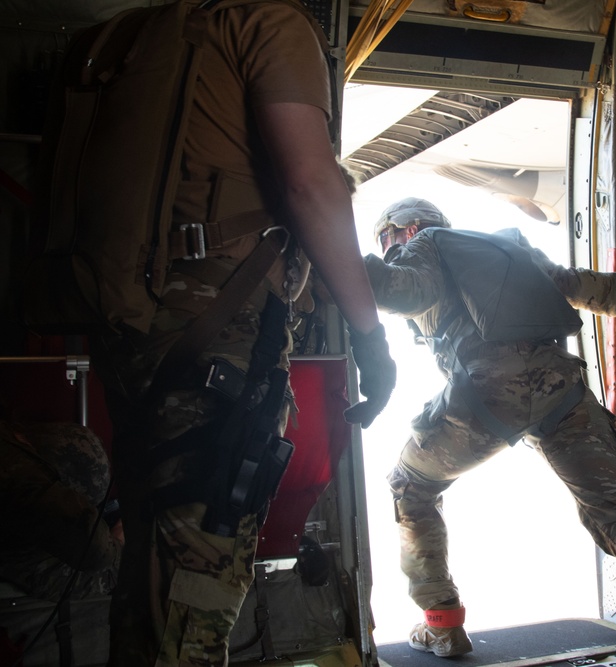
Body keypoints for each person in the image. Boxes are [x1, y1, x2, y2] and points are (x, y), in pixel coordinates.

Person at [79, 1, 396, 664]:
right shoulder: (269, 26)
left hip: (138, 331)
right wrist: (371, 340)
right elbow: (312, 183)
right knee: (194, 594)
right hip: (221, 336)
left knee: (151, 576)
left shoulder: (156, 29)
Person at [363, 198, 616, 667]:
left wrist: (334, 262)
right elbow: (575, 284)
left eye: (386, 237)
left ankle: (443, 625)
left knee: (410, 486)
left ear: (409, 228)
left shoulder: (425, 245)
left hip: (490, 393)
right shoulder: (507, 245)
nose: (388, 246)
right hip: (562, 388)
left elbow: (401, 291)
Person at [0, 417, 122, 603]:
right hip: (15, 545)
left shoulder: (15, 448)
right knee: (114, 572)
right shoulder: (25, 490)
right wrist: (118, 544)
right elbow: (98, 554)